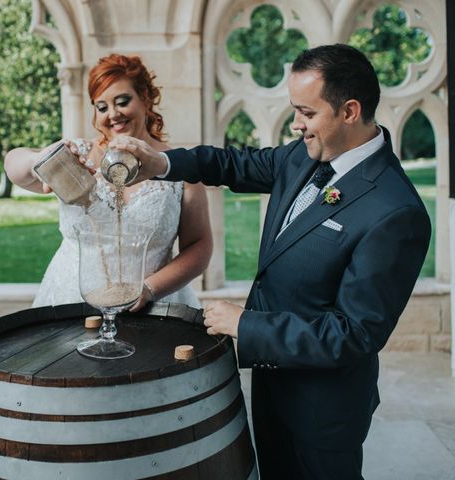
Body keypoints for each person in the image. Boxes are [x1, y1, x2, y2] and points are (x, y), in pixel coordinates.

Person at [111, 44, 431, 479]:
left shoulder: (396, 212)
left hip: (324, 405)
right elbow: (231, 163)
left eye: (306, 112)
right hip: (271, 382)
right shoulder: (304, 153)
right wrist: (161, 163)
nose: (297, 124)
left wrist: (246, 326)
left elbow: (354, 334)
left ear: (350, 110)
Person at [5, 53, 212, 309]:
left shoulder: (177, 166)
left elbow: (199, 246)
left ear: (145, 99)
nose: (113, 114)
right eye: (101, 107)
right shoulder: (75, 158)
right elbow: (13, 165)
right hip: (71, 299)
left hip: (154, 305)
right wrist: (40, 161)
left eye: (122, 101)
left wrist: (148, 290)